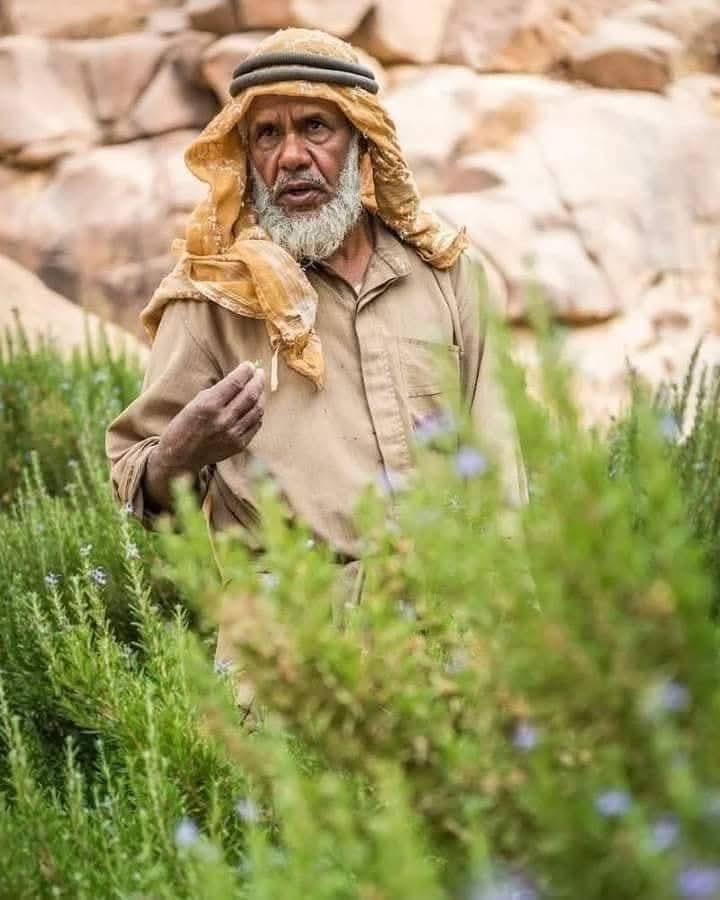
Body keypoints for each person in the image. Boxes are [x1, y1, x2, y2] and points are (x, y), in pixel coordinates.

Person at [106, 27, 527, 592]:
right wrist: (177, 456)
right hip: (293, 630)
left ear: (360, 142)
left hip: (446, 620)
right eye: (267, 134)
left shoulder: (447, 276)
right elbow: (136, 480)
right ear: (247, 155)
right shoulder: (211, 297)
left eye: (314, 127)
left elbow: (501, 471)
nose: (291, 157)